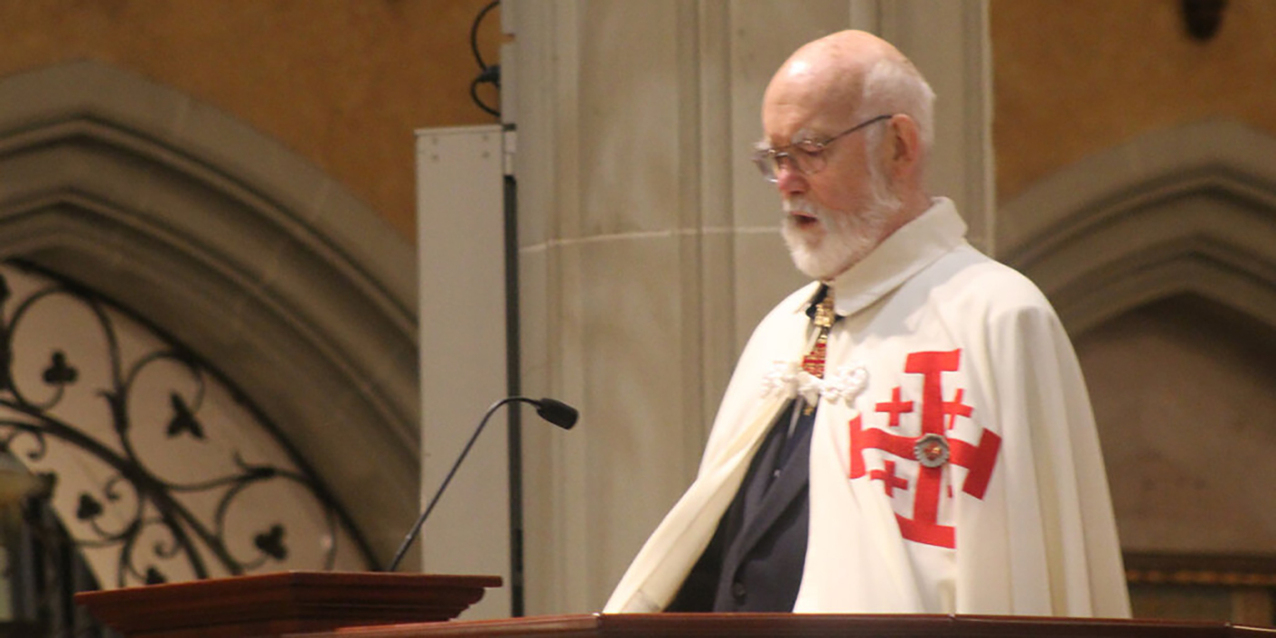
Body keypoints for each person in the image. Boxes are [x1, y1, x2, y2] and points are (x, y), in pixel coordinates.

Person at [603, 30, 1131, 616]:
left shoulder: (996, 317)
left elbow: (1026, 578)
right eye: (775, 158)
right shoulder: (783, 330)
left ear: (899, 146)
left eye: (810, 149)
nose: (786, 181)